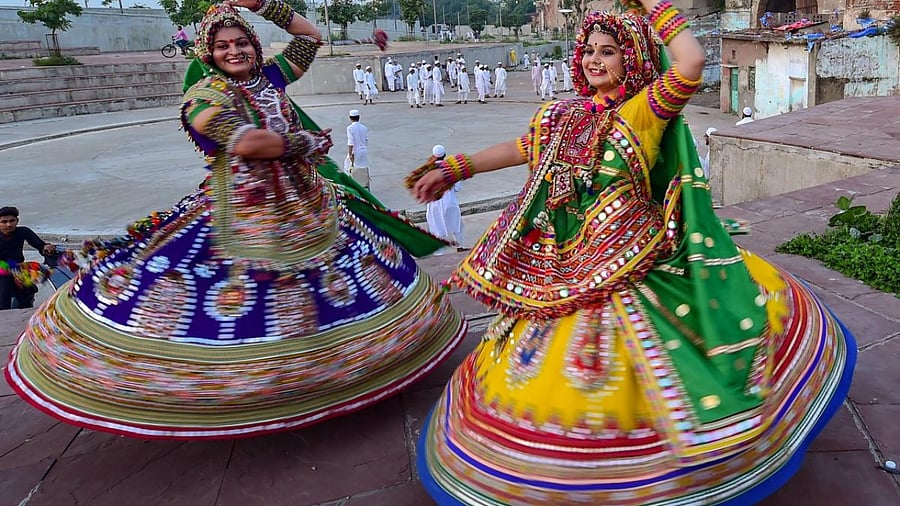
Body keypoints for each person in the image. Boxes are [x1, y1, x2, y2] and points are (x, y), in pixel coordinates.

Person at [408, 5, 854, 504]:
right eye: (590, 51)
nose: (595, 60)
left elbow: (689, 63)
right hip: (567, 271)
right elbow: (521, 148)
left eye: (609, 51)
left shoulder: (643, 112)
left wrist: (652, 6)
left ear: (632, 56)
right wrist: (456, 169)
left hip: (634, 263)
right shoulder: (565, 115)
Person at [6, 0, 465, 440]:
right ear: (208, 53)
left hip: (306, 202)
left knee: (344, 275)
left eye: (240, 42)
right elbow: (243, 142)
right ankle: (260, 386)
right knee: (238, 292)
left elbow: (310, 35)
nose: (234, 51)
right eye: (222, 46)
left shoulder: (270, 77)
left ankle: (335, 371)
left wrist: (263, 5)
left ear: (254, 44)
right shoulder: (203, 95)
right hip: (244, 211)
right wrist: (301, 144)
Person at [0, 206, 56, 310]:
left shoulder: (23, 232)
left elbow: (39, 245)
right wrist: (13, 266)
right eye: (4, 222)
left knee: (26, 299)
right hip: (3, 271)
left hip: (19, 271)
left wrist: (46, 247)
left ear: (17, 221)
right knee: (4, 295)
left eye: (12, 221)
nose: (8, 224)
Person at [424, 146, 465, 255]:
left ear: (433, 156)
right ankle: (460, 247)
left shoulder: (427, 170)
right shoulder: (451, 168)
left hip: (434, 204)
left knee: (436, 229)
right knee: (457, 225)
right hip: (449, 202)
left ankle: (438, 254)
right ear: (445, 154)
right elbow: (458, 188)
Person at [345, 109, 370, 188]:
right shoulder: (364, 127)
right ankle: (364, 184)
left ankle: (354, 186)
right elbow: (366, 140)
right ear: (359, 117)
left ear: (350, 118)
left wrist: (350, 154)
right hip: (364, 150)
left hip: (355, 151)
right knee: (363, 168)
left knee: (348, 168)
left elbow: (351, 142)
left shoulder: (350, 128)